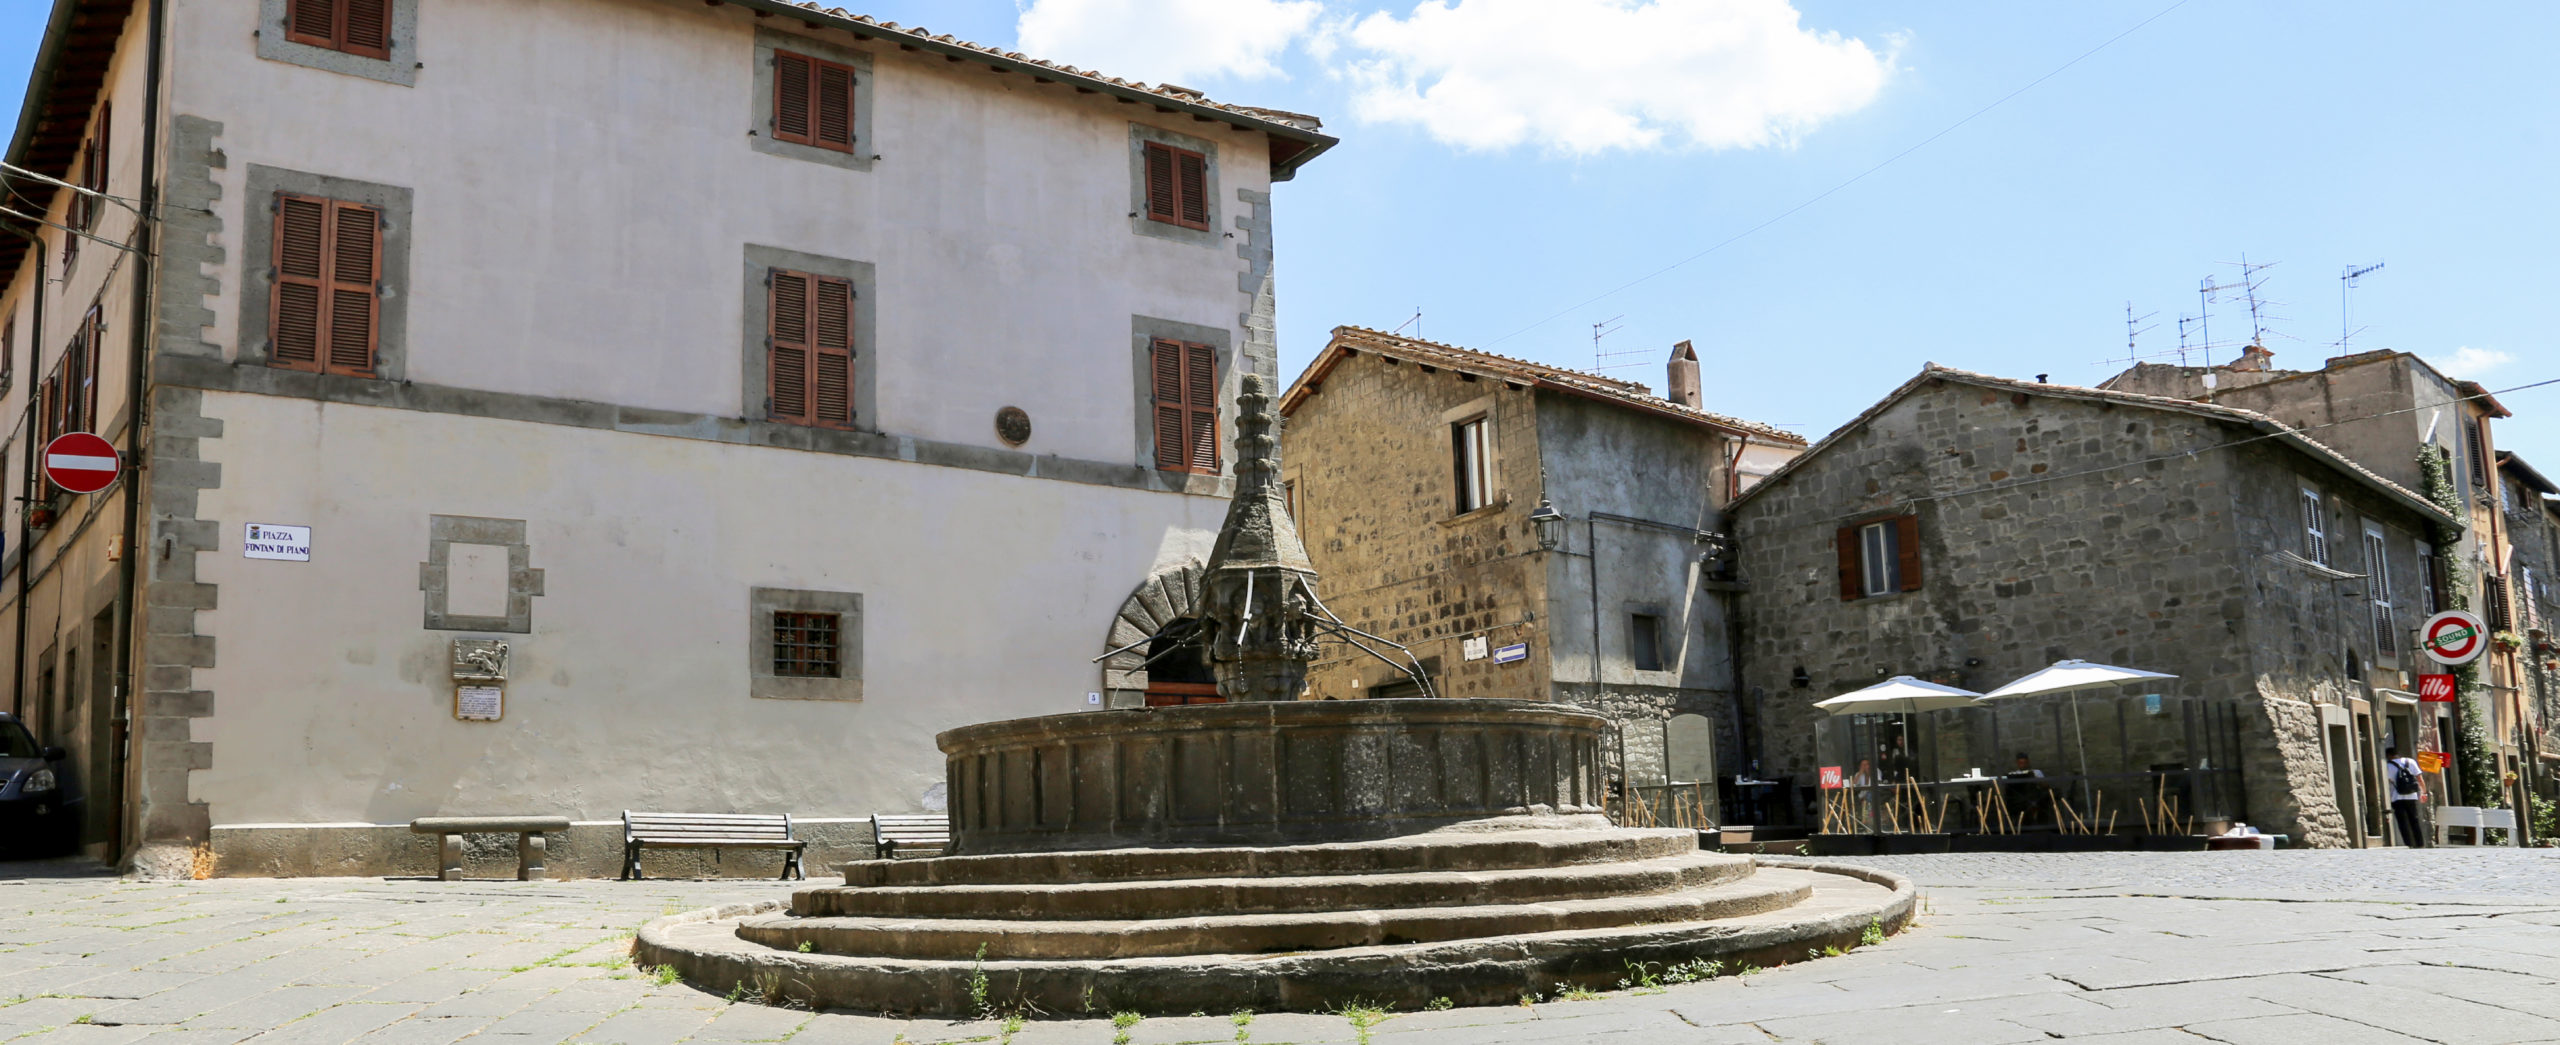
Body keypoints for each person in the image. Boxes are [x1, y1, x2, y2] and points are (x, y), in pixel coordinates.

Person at [2386, 746, 2428, 848]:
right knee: (2414, 819)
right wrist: (2423, 793)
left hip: (2397, 797)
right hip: (2412, 796)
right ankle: (2420, 843)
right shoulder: (2410, 762)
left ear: (2388, 756)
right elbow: (2419, 778)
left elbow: (2386, 781)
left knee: (2402, 821)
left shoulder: (2387, 766)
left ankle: (2409, 844)